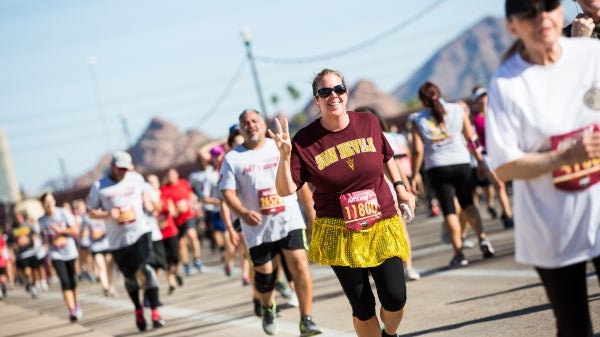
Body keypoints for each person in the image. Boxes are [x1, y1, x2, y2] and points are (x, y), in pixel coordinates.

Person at [269, 68, 414, 337]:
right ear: (316, 100)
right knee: (363, 307)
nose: (332, 96)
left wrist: (401, 189)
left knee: (395, 297)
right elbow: (286, 189)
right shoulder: (304, 141)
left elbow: (387, 156)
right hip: (339, 231)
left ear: (346, 94)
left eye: (338, 90)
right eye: (324, 92)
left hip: (382, 223)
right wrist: (285, 155)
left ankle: (390, 334)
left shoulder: (368, 122)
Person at [486, 1, 600, 335]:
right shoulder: (508, 84)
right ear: (512, 27)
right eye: (527, 12)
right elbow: (504, 166)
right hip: (553, 227)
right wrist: (564, 158)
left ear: (560, 10)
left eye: (548, 5)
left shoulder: (591, 56)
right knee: (574, 325)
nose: (541, 17)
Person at [219, 109, 322, 337]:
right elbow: (227, 193)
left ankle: (307, 319)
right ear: (240, 128)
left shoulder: (279, 147)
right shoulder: (233, 158)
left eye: (255, 121)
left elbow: (301, 184)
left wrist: (312, 217)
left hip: (288, 219)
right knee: (265, 278)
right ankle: (267, 306)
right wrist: (243, 213)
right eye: (245, 123)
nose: (250, 125)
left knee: (300, 265)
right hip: (257, 229)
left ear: (263, 125)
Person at [410, 81, 495, 268]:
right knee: (468, 203)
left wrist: (415, 174)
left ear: (422, 100)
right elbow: (471, 139)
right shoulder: (457, 109)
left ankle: (459, 253)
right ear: (439, 93)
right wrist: (480, 161)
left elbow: (417, 150)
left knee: (449, 210)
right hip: (462, 162)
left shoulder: (418, 119)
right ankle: (483, 238)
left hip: (437, 167)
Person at [87, 151, 165, 331]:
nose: (122, 172)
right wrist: (107, 214)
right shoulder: (99, 186)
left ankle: (155, 311)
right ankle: (138, 309)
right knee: (130, 278)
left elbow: (150, 195)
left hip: (140, 233)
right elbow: (91, 211)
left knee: (148, 270)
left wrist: (148, 201)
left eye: (125, 169)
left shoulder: (135, 179)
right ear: (112, 166)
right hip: (118, 241)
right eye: (119, 168)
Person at [354, 105, 421, 282]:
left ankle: (408, 266)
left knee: (400, 229)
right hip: (367, 197)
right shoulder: (355, 142)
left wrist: (405, 189)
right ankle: (383, 269)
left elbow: (396, 165)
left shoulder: (384, 137)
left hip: (389, 191)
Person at [470, 86, 515, 229]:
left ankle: (504, 210)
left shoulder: (497, 114)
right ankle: (508, 215)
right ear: (476, 101)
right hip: (485, 155)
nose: (484, 100)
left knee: (505, 184)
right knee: (499, 184)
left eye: (485, 96)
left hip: (500, 152)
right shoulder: (475, 120)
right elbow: (472, 141)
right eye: (480, 98)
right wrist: (478, 161)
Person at [38, 192, 82, 322]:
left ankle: (75, 302)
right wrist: (45, 242)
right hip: (55, 254)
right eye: (47, 201)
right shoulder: (41, 221)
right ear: (43, 204)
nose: (50, 203)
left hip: (69, 251)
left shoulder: (63, 213)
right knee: (65, 281)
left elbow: (75, 230)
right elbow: (43, 237)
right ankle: (72, 310)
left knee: (73, 281)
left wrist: (60, 230)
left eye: (51, 200)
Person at [161, 168, 205, 276]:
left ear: (177, 174)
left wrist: (196, 207)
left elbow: (191, 196)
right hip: (175, 220)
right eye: (169, 175)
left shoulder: (184, 183)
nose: (171, 177)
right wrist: (176, 209)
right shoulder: (165, 189)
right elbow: (168, 207)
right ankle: (186, 264)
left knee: (192, 234)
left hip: (188, 215)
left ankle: (197, 259)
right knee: (181, 243)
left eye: (173, 174)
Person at [79, 202, 116, 297]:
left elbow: (111, 225)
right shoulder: (86, 217)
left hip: (107, 244)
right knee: (101, 267)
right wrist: (84, 234)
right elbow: (83, 231)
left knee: (108, 267)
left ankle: (111, 285)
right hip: (95, 246)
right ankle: (105, 287)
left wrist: (103, 232)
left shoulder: (104, 212)